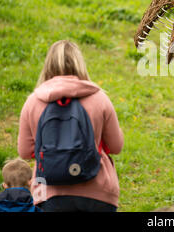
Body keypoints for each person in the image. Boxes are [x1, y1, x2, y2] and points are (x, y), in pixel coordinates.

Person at [18, 40, 124, 212]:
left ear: (48, 65)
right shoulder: (99, 98)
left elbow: (25, 151)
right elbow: (116, 146)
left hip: (49, 193)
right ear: (80, 64)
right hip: (98, 193)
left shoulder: (34, 102)